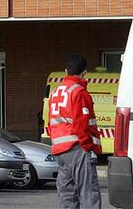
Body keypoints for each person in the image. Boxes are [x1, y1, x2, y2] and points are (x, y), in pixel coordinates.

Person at [48, 54, 102, 209]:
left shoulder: (56, 92)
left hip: (61, 151)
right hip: (78, 149)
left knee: (67, 196)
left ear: (66, 71)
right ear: (84, 73)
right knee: (89, 193)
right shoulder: (79, 92)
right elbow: (82, 124)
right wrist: (88, 147)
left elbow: (52, 122)